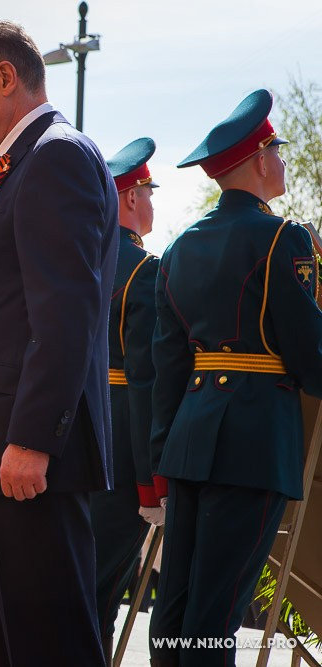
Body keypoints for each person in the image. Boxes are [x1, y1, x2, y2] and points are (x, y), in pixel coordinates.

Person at [0, 21, 119, 666]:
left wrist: (33, 438)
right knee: (18, 645)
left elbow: (65, 311)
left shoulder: (55, 156)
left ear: (6, 76)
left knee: (51, 645)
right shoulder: (20, 165)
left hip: (26, 456)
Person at [148, 89, 322, 667]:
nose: (282, 161)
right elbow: (309, 352)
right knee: (217, 614)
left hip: (189, 443)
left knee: (177, 607)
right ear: (257, 158)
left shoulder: (179, 248)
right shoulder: (282, 239)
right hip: (253, 441)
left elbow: (167, 365)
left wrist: (162, 454)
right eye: (276, 149)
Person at [90, 137, 163, 664]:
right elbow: (145, 382)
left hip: (72, 437)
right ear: (132, 199)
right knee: (99, 592)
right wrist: (150, 483)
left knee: (76, 579)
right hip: (120, 449)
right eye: (149, 192)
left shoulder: (81, 265)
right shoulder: (143, 271)